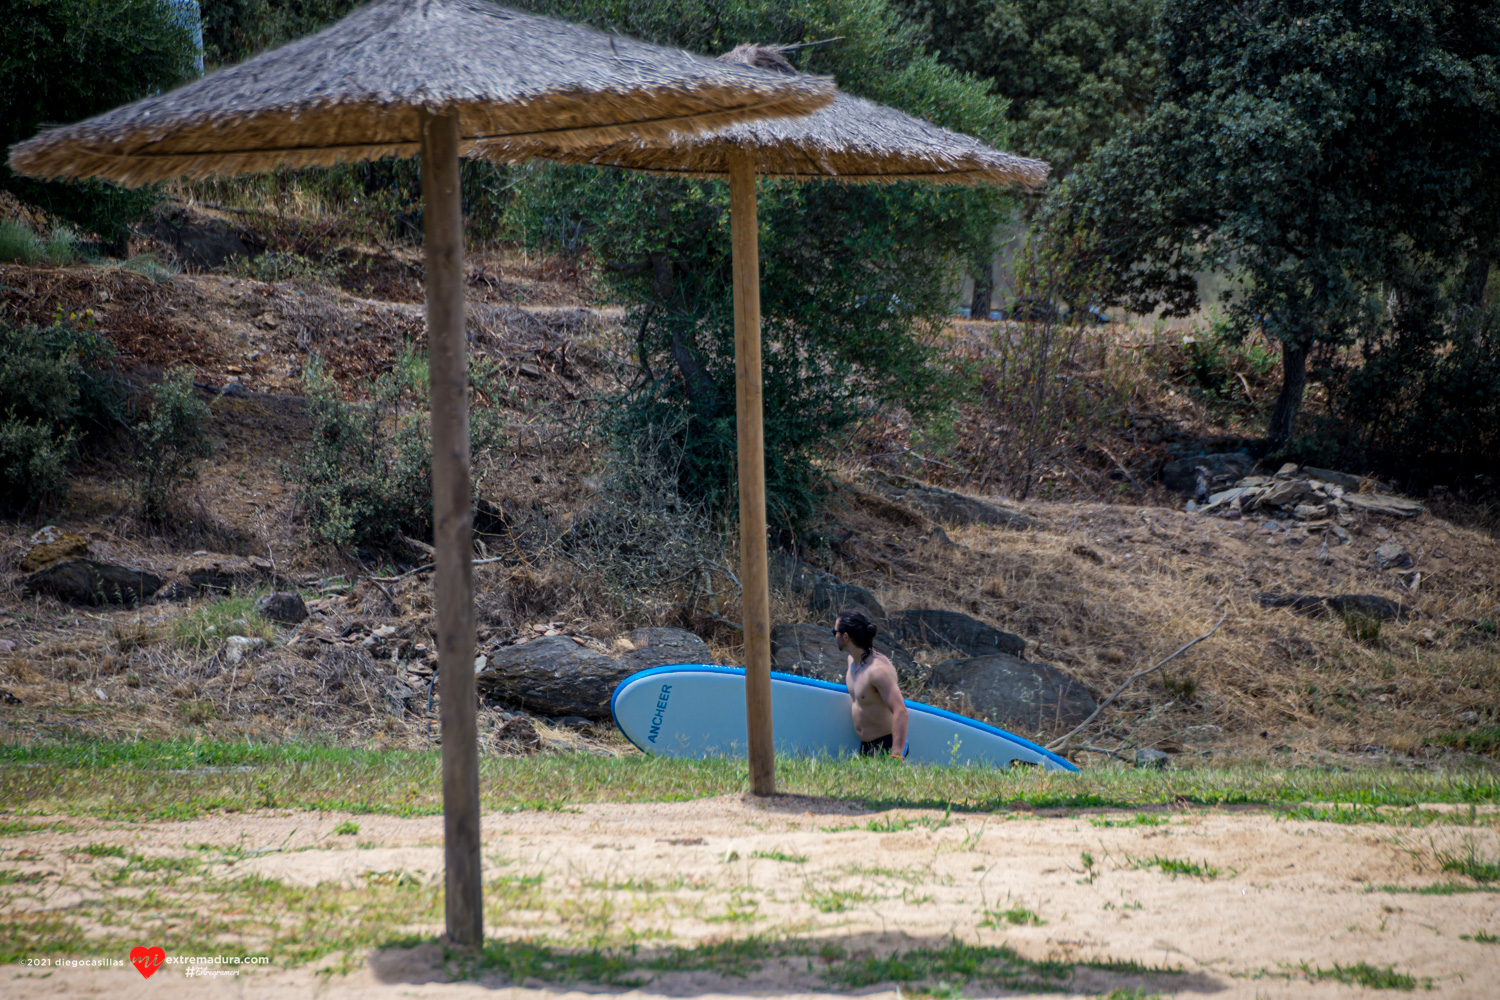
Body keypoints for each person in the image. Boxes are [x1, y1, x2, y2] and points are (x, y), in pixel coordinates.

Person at [834, 608, 909, 760]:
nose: (834, 636)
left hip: (886, 745)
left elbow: (901, 711)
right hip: (866, 746)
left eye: (834, 632)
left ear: (846, 636)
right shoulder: (852, 663)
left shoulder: (877, 671)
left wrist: (896, 755)